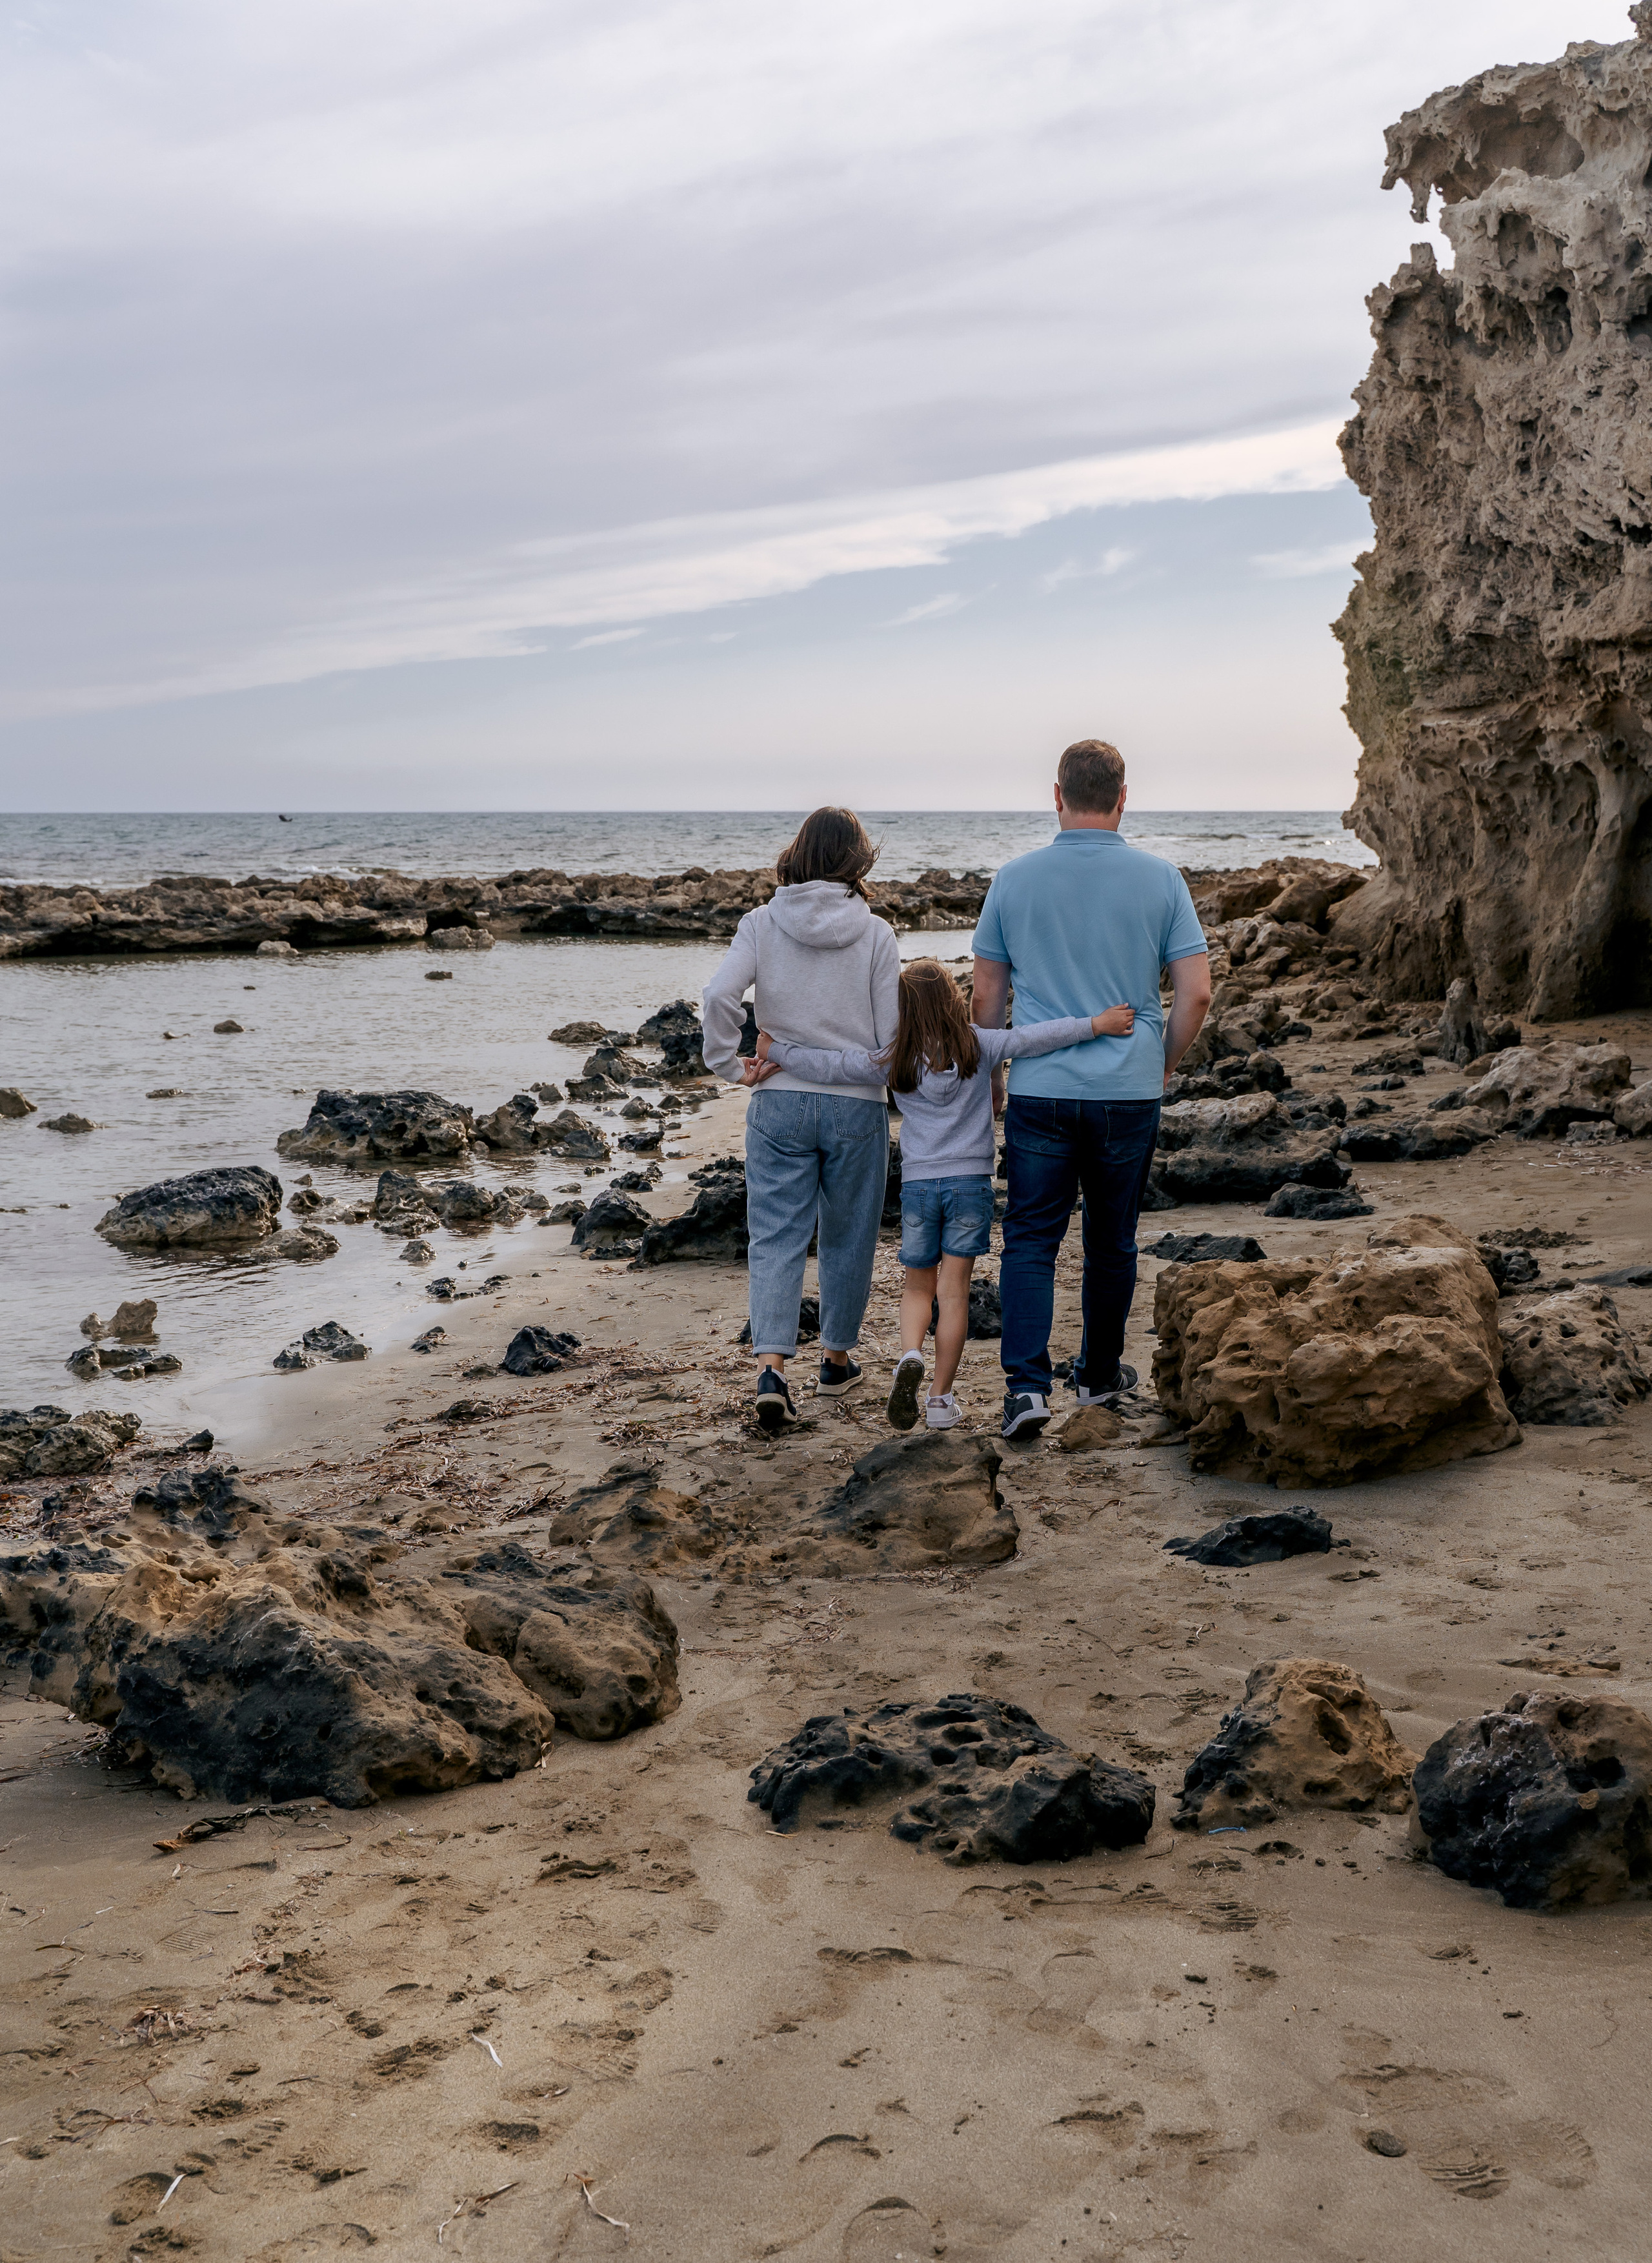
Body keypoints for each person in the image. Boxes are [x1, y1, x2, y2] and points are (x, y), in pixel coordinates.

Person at [755, 959, 1134, 1430]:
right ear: (954, 1000)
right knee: (953, 1294)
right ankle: (939, 1400)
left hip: (918, 1186)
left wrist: (779, 1050)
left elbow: (834, 1065)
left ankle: (910, 1352)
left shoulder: (895, 1057)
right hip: (970, 1186)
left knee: (918, 1286)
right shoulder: (978, 1044)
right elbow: (1033, 1038)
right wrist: (1098, 1024)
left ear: (903, 1009)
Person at [971, 739, 1211, 1440]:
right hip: (1128, 1089)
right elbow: (1194, 995)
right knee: (1112, 1240)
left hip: (1042, 1087)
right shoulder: (1161, 878)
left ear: (1056, 796)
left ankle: (1024, 1388)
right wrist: (1161, 1062)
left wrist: (993, 1077)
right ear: (1122, 797)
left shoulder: (1013, 880)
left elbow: (987, 997)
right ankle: (1099, 1378)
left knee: (1030, 1238)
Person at [701, 807, 900, 1433]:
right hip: (855, 1111)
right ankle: (835, 1360)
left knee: (776, 1237)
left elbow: (716, 997)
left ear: (798, 852)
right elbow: (888, 1051)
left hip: (779, 1103)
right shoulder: (876, 935)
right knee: (848, 1237)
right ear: (857, 860)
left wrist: (730, 1066)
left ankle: (772, 1370)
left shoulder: (761, 923)